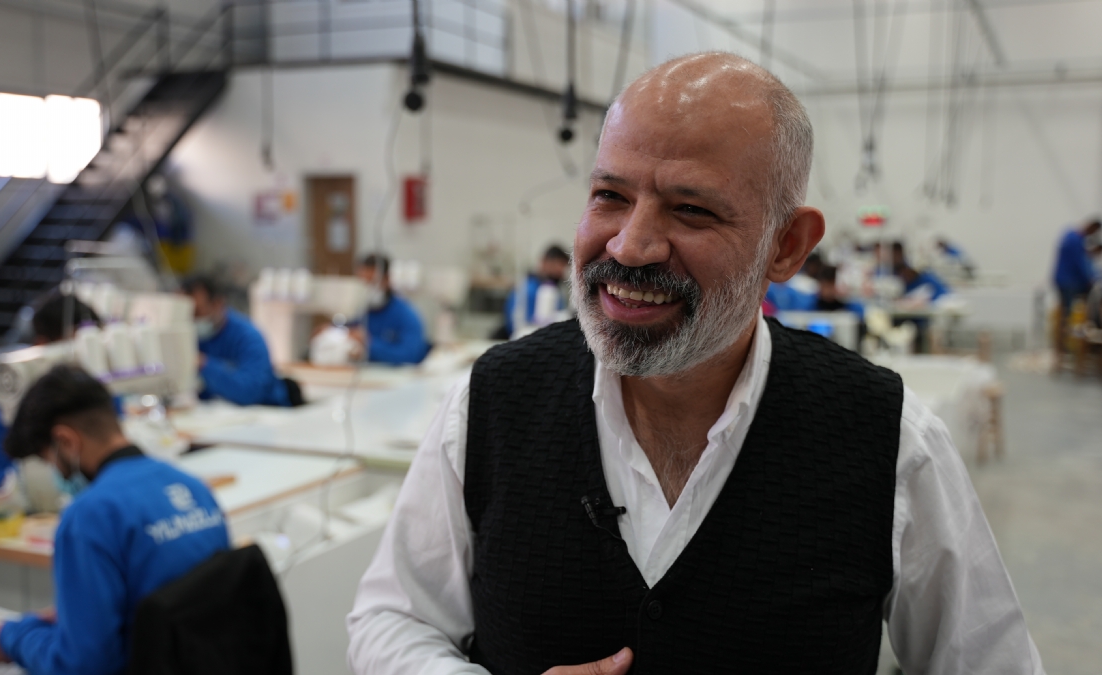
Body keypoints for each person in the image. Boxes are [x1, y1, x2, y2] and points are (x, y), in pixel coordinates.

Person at [347, 52, 1043, 674]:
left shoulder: (886, 438)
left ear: (787, 245)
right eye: (610, 196)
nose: (631, 245)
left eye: (691, 209)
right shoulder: (493, 400)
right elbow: (391, 617)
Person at [0, 365, 229, 674]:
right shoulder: (192, 488)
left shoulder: (89, 518)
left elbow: (81, 666)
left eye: (50, 462)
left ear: (66, 441)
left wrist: (12, 637)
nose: (58, 476)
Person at [0, 291, 101, 492]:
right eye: (77, 348)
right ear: (43, 344)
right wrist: (48, 482)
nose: (86, 358)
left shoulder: (92, 384)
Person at [181, 275, 291, 406]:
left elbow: (250, 391)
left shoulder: (248, 337)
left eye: (197, 312)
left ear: (217, 304)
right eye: (186, 313)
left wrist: (205, 364)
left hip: (267, 410)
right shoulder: (192, 338)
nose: (192, 319)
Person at [353, 254, 430, 365]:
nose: (368, 288)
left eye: (372, 282)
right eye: (364, 283)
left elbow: (409, 356)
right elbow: (349, 328)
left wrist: (369, 343)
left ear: (387, 279)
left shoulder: (406, 315)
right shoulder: (364, 313)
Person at [1053, 219, 1101, 354]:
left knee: (1065, 313)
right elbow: (1081, 265)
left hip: (1062, 280)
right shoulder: (1076, 241)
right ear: (1091, 228)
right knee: (1068, 314)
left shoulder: (1069, 234)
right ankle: (1066, 346)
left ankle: (1062, 346)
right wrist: (1091, 278)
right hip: (1069, 283)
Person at [502, 245, 571, 337]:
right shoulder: (527, 289)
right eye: (558, 265)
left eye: (563, 266)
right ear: (544, 262)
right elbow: (515, 324)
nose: (560, 271)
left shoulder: (557, 291)